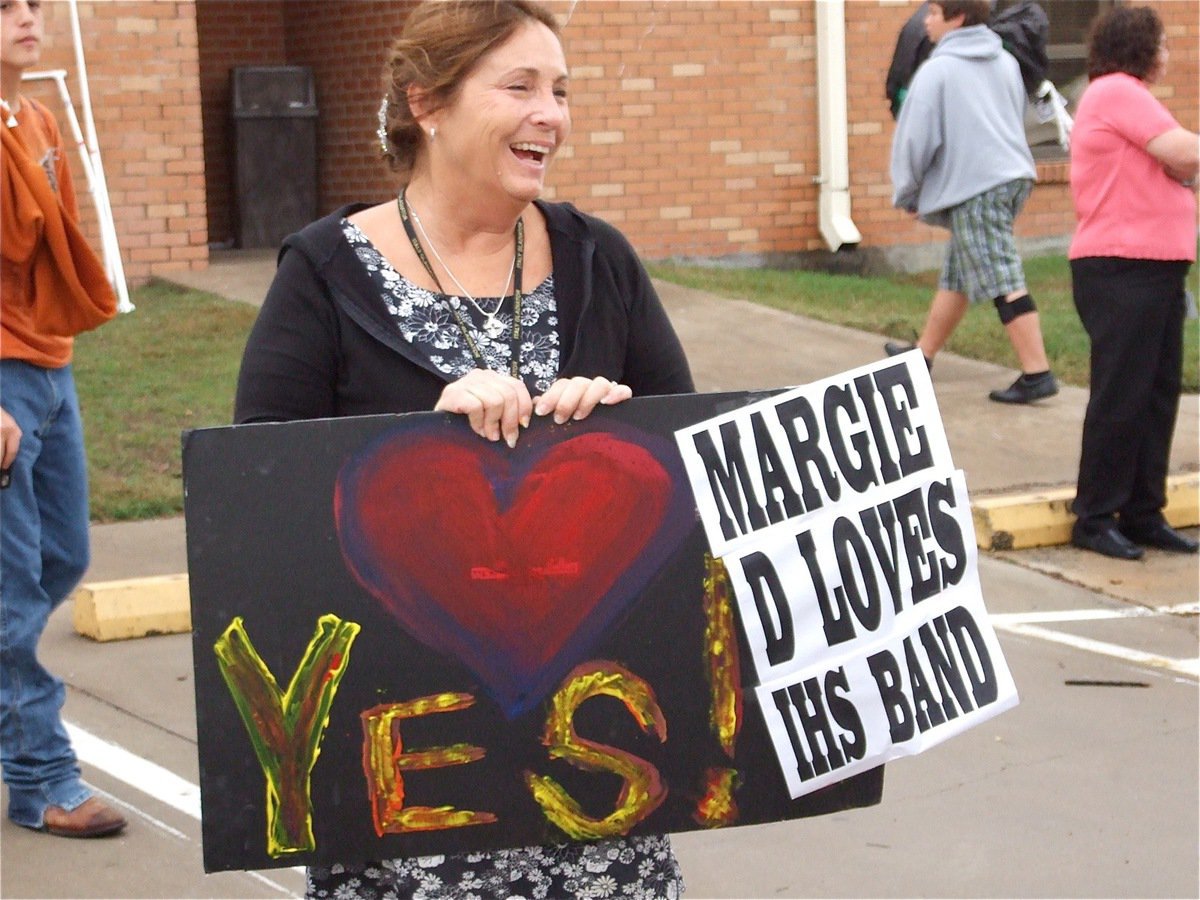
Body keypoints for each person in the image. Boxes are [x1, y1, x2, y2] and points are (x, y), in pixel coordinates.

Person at [233, 1, 692, 896]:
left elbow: (700, 479)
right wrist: (415, 438)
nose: (551, 114)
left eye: (560, 90)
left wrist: (621, 429)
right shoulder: (324, 274)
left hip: (598, 807)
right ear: (427, 105)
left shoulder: (603, 263)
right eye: (519, 86)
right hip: (407, 808)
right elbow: (257, 503)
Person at [0, 0, 125, 837]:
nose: (26, 16)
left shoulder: (36, 115)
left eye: (32, 1)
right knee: (10, 592)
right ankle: (43, 779)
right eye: (5, 5)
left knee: (63, 555)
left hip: (49, 364)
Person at [1066, 6, 1199, 560]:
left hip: (1156, 267)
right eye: (1162, 44)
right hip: (1121, 266)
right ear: (1139, 48)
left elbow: (1178, 161)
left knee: (1156, 393)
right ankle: (1095, 515)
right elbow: (1186, 153)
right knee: (1122, 395)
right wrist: (1179, 161)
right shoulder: (1118, 90)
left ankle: (1143, 511)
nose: (1167, 53)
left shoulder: (1131, 99)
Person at [885, 0, 1058, 405]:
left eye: (933, 13)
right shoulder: (1004, 61)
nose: (925, 20)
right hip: (1013, 175)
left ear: (956, 18)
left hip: (977, 186)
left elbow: (915, 139)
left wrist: (908, 190)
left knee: (1002, 275)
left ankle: (1038, 373)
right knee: (959, 275)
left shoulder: (938, 70)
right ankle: (921, 356)